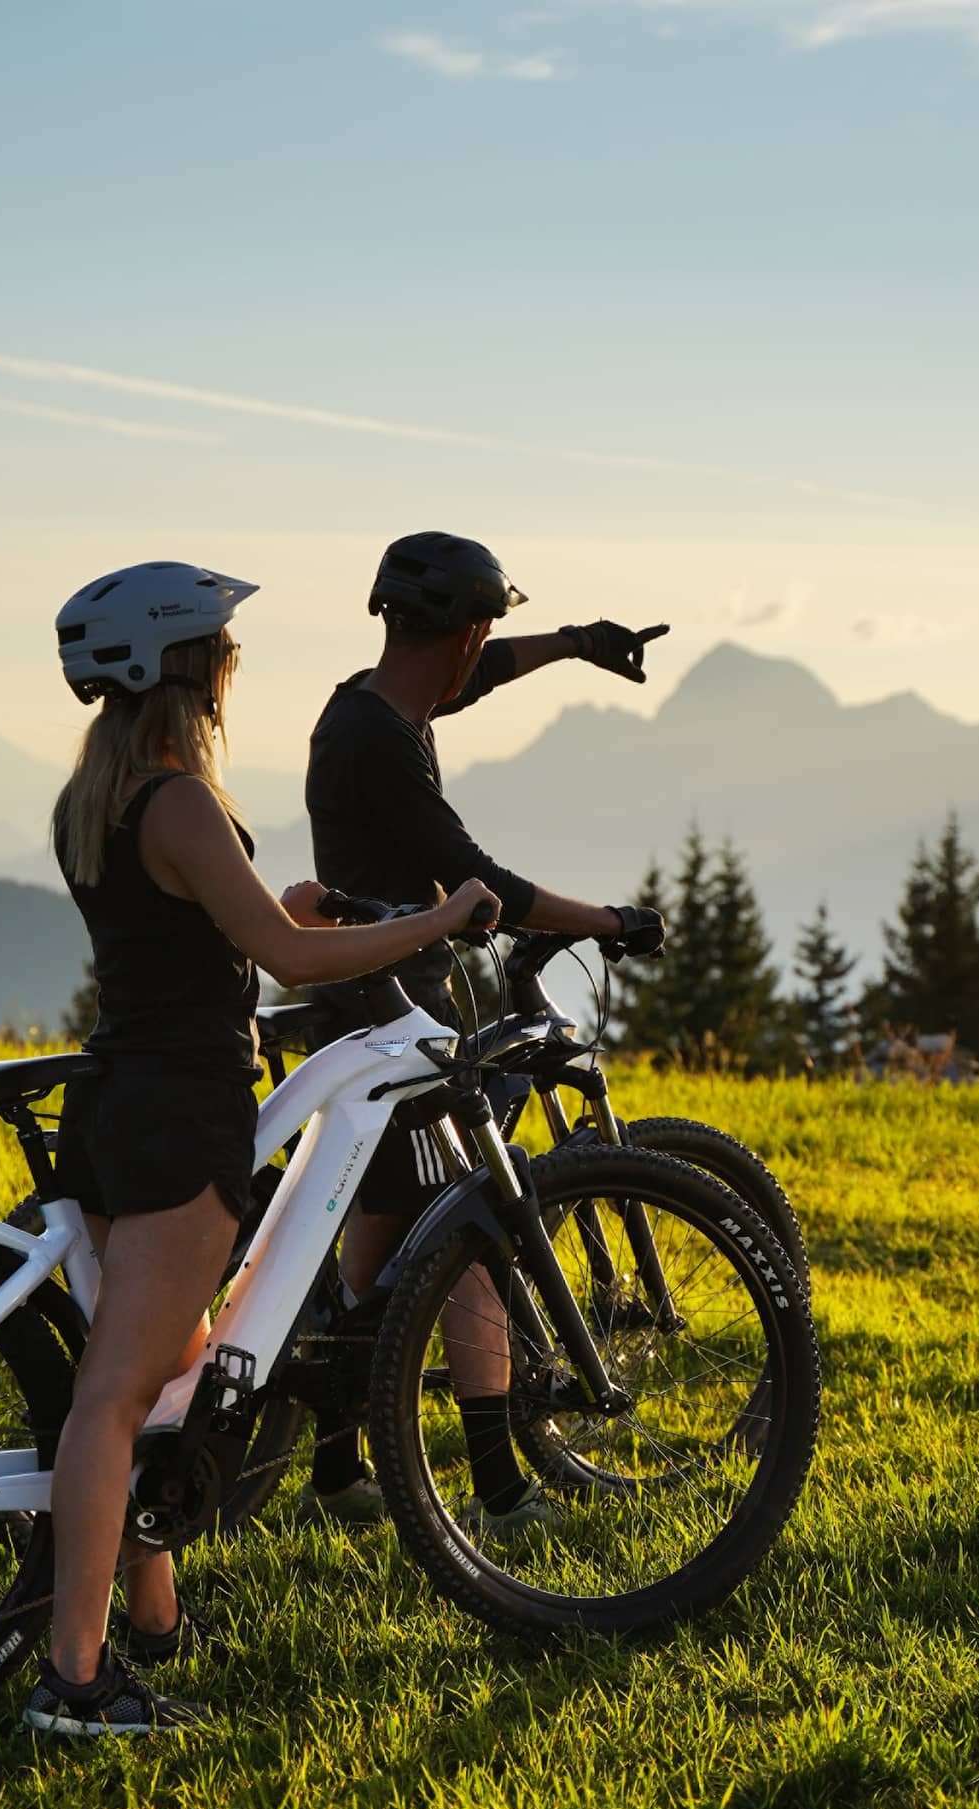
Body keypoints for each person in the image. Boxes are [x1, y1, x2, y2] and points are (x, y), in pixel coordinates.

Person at [21, 559, 499, 1738]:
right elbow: (281, 963)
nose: (234, 667)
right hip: (186, 1114)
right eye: (223, 650)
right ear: (188, 667)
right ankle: (74, 1682)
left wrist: (281, 909)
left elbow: (201, 933)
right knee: (117, 1397)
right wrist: (438, 916)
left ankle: (154, 1619)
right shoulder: (181, 797)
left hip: (122, 1098)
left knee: (165, 1374)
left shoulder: (104, 798)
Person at [298, 530, 667, 1533]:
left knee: (374, 1243)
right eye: (488, 628)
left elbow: (482, 674)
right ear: (462, 631)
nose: (488, 647)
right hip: (389, 1009)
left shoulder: (373, 702)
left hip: (376, 1000)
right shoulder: (380, 741)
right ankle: (501, 1490)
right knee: (467, 1238)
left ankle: (335, 1473)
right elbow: (484, 885)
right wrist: (610, 920)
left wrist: (577, 643)